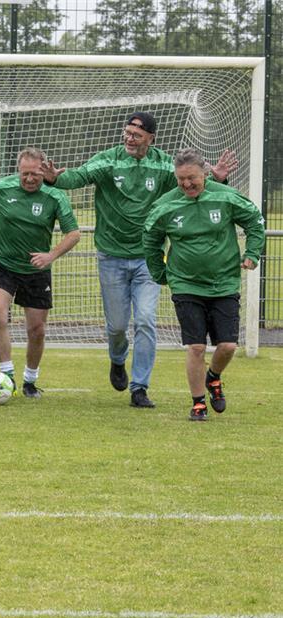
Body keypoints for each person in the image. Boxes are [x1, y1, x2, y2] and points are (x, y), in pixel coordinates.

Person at [43, 112, 236, 409]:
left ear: (150, 138)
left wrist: (218, 178)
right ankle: (117, 359)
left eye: (136, 134)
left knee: (146, 320)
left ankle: (140, 387)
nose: (129, 138)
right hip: (111, 256)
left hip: (149, 257)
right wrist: (55, 178)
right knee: (117, 326)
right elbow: (78, 176)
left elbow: (193, 182)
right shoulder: (108, 160)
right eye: (127, 132)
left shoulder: (163, 165)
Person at [142, 149, 264, 421]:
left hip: (224, 283)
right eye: (181, 179)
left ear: (205, 175)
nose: (186, 184)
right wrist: (160, 272)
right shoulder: (165, 205)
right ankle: (198, 403)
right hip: (185, 285)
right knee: (196, 347)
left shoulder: (225, 196)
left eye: (192, 178)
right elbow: (150, 238)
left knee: (228, 346)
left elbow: (255, 222)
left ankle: (214, 377)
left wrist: (253, 253)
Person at [0, 147, 80, 397]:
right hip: (1, 264)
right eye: (24, 174)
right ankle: (6, 376)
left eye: (35, 174)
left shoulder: (55, 196)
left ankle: (30, 380)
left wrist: (51, 255)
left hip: (36, 270)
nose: (29, 179)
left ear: (44, 172)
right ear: (18, 171)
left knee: (37, 329)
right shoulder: (2, 188)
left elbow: (73, 234)